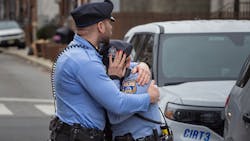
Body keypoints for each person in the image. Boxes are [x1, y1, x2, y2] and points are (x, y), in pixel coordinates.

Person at [49, 1, 160, 141]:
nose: (111, 27)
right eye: (109, 23)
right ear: (101, 26)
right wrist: (149, 97)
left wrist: (140, 65)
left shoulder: (76, 52)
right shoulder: (85, 61)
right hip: (80, 136)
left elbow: (107, 64)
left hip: (71, 132)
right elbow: (117, 105)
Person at [102, 40, 171, 141]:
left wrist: (114, 77)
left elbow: (116, 115)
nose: (113, 68)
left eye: (119, 63)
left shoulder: (139, 76)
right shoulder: (104, 79)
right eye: (109, 64)